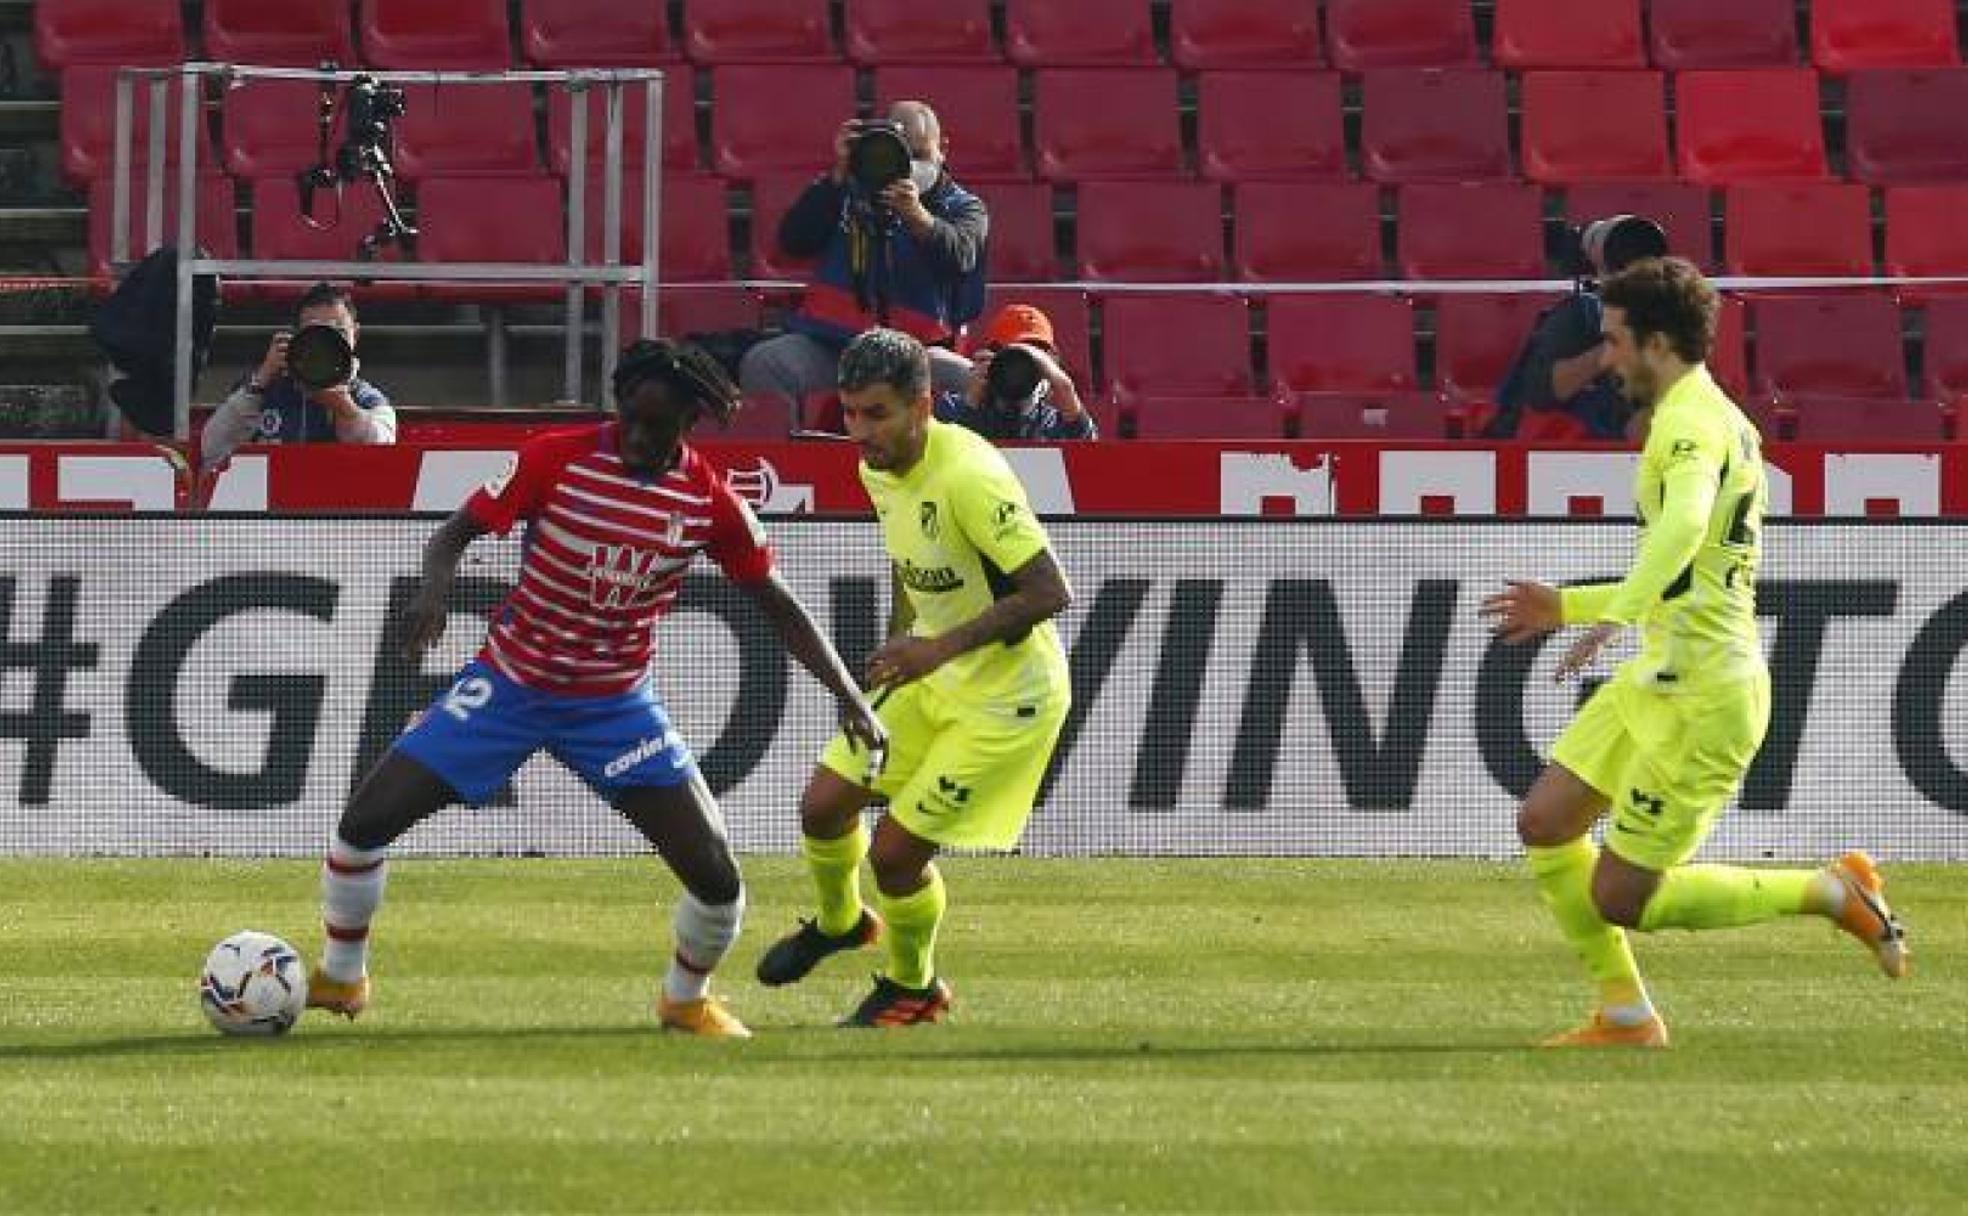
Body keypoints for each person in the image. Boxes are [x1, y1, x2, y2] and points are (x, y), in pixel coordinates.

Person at [306, 339, 885, 1039]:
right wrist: (434, 590)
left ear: (690, 422)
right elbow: (455, 533)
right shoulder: (555, 457)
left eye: (655, 426)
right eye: (629, 418)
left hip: (613, 706)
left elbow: (778, 604)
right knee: (362, 826)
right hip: (509, 685)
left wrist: (848, 693)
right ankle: (342, 976)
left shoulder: (709, 501)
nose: (636, 437)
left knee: (719, 882)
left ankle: (685, 1002)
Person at [1479, 258, 1909, 1049]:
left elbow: (1682, 531)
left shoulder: (1688, 425)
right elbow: (1690, 559)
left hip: (1705, 694)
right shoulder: (1715, 416)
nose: (1606, 358)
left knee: (1622, 897)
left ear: (1657, 343)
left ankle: (1829, 892)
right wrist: (1614, 617)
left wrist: (1586, 608)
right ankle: (1625, 1014)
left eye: (1615, 340)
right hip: (1660, 671)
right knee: (1545, 821)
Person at [754, 328, 1073, 1027]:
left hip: (1007, 697)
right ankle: (841, 923)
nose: (860, 431)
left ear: (923, 406)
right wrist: (905, 642)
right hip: (933, 675)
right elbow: (913, 564)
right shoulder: (878, 467)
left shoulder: (970, 475)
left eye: (877, 414)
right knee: (822, 807)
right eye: (850, 413)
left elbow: (1050, 593)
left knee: (895, 855)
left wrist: (936, 649)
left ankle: (914, 987)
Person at [739, 101, 986, 424]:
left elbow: (961, 258)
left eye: (920, 155)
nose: (910, 166)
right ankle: (786, 451)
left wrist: (918, 217)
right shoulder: (845, 191)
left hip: (918, 354)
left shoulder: (963, 207)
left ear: (943, 149)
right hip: (836, 346)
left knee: (978, 385)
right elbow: (793, 242)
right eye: (902, 154)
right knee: (765, 363)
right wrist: (838, 175)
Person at [1481, 215, 1669, 442]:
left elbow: (1639, 427)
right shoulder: (1581, 313)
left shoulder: (1663, 324)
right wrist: (1615, 347)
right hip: (1563, 451)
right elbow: (1540, 393)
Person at [935, 303, 1096, 441]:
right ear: (991, 356)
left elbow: (1088, 450)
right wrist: (971, 403)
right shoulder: (953, 406)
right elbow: (946, 452)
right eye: (1014, 357)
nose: (1021, 369)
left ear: (1050, 363)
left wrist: (1064, 387)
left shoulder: (1054, 423)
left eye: (1034, 358)